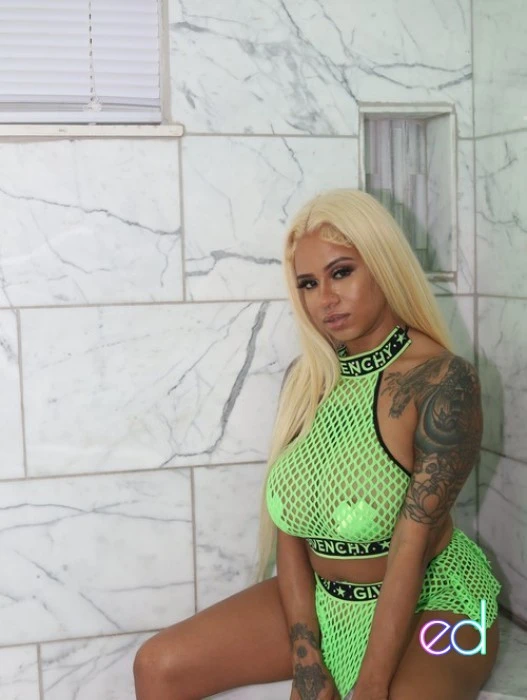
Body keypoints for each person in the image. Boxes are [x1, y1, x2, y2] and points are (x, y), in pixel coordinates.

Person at [133, 189, 502, 700]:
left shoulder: (442, 381)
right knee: (157, 665)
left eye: (341, 272)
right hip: (324, 599)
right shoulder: (309, 380)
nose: (324, 298)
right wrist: (307, 660)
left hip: (440, 604)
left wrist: (370, 685)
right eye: (308, 283)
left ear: (383, 264)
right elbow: (291, 527)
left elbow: (411, 550)